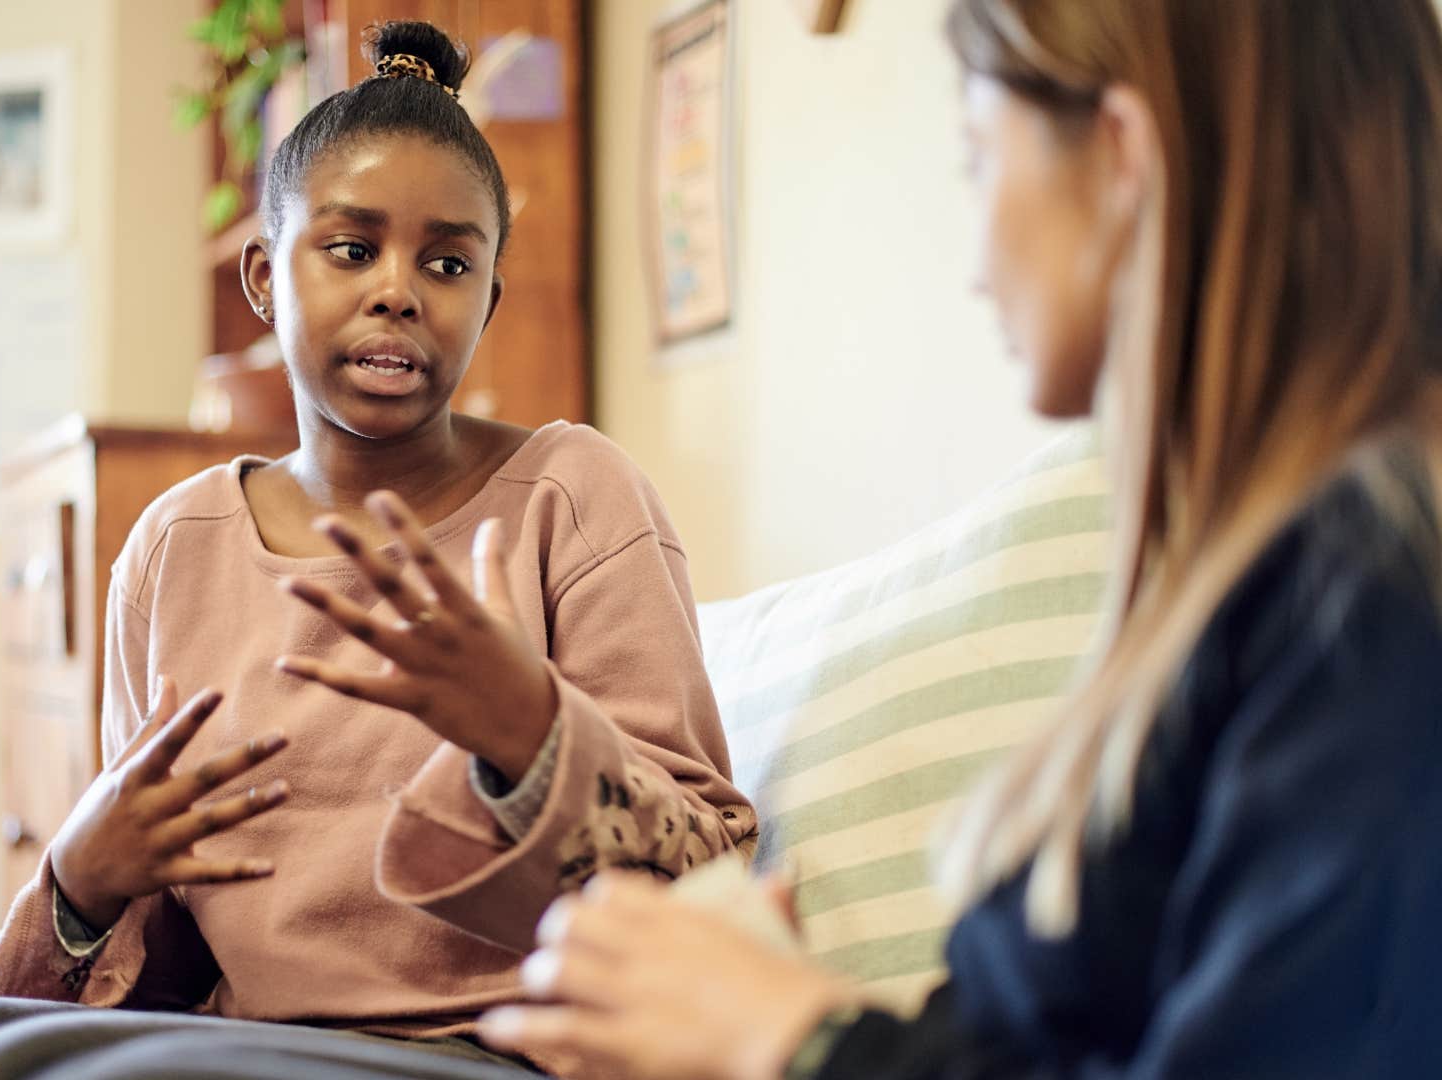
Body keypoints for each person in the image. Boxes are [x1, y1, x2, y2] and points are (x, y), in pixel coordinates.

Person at [0, 20, 751, 1080]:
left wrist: (527, 732)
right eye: (351, 249)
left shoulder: (573, 495)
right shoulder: (173, 548)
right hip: (241, 1042)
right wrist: (81, 880)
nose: (398, 288)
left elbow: (706, 879)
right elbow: (144, 965)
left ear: (487, 298)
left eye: (447, 262)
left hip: (495, 1053)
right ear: (264, 276)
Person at [477, 2, 1442, 1078]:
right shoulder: (1253, 586)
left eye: (977, 157)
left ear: (1122, 158)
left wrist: (799, 1038)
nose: (976, 260)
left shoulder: (1367, 597)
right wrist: (771, 1013)